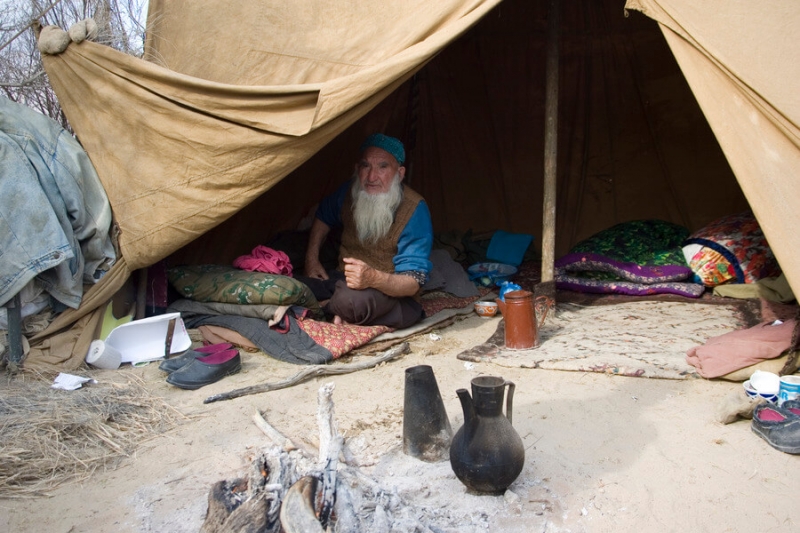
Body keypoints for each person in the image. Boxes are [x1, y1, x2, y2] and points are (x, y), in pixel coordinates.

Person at [300, 133, 433, 328]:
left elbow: (413, 282)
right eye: (365, 166)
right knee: (291, 284)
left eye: (383, 167)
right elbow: (323, 216)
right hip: (342, 281)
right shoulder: (349, 192)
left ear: (400, 173)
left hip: (391, 294)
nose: (371, 177)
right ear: (357, 169)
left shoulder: (415, 209)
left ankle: (328, 307)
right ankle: (332, 307)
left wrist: (372, 278)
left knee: (352, 302)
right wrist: (311, 260)